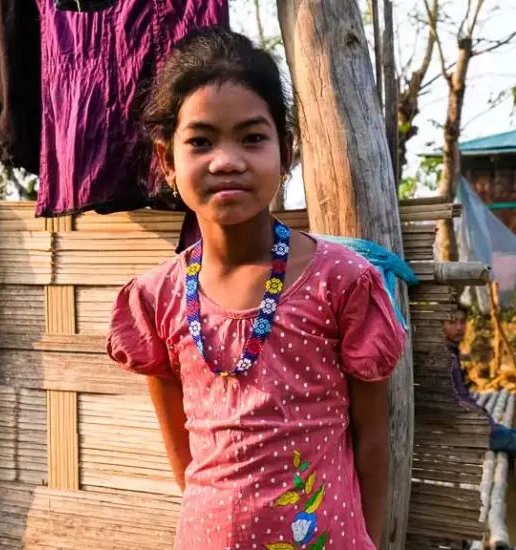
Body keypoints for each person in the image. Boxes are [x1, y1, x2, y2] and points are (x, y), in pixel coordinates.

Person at [107, 28, 407, 550]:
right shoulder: (157, 298)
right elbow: (185, 455)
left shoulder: (342, 280)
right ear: (166, 161)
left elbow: (373, 439)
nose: (227, 160)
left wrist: (370, 540)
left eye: (252, 137)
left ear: (285, 150)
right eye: (200, 141)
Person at [445, 303, 516, 455]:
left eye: (462, 322)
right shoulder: (441, 358)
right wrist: (481, 416)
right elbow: (452, 402)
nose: (459, 327)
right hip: (465, 429)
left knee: (511, 433)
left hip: (477, 423)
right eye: (452, 322)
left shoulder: (453, 352)